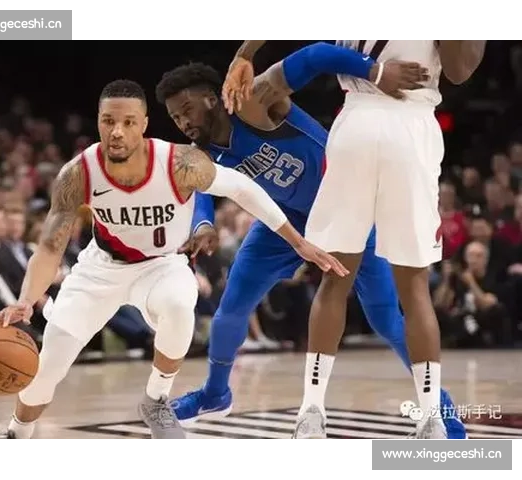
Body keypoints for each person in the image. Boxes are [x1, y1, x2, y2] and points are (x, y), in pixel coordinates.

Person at [0, 79, 346, 441]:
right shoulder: (78, 173)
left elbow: (243, 188)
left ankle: (155, 399)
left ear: (143, 124)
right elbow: (49, 247)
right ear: (99, 122)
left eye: (128, 122)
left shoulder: (178, 163)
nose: (117, 131)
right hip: (100, 268)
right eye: (108, 121)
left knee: (179, 304)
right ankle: (16, 433)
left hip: (161, 264)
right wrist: (25, 301)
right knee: (47, 368)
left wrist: (297, 241)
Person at [155, 42, 465, 440]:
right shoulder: (201, 153)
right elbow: (201, 192)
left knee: (385, 317)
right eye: (175, 116)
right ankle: (216, 393)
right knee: (231, 307)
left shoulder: (252, 103)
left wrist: (373, 72)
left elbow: (316, 57)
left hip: (346, 208)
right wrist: (202, 226)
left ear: (212, 99)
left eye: (187, 109)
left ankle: (439, 407)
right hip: (284, 222)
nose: (183, 121)